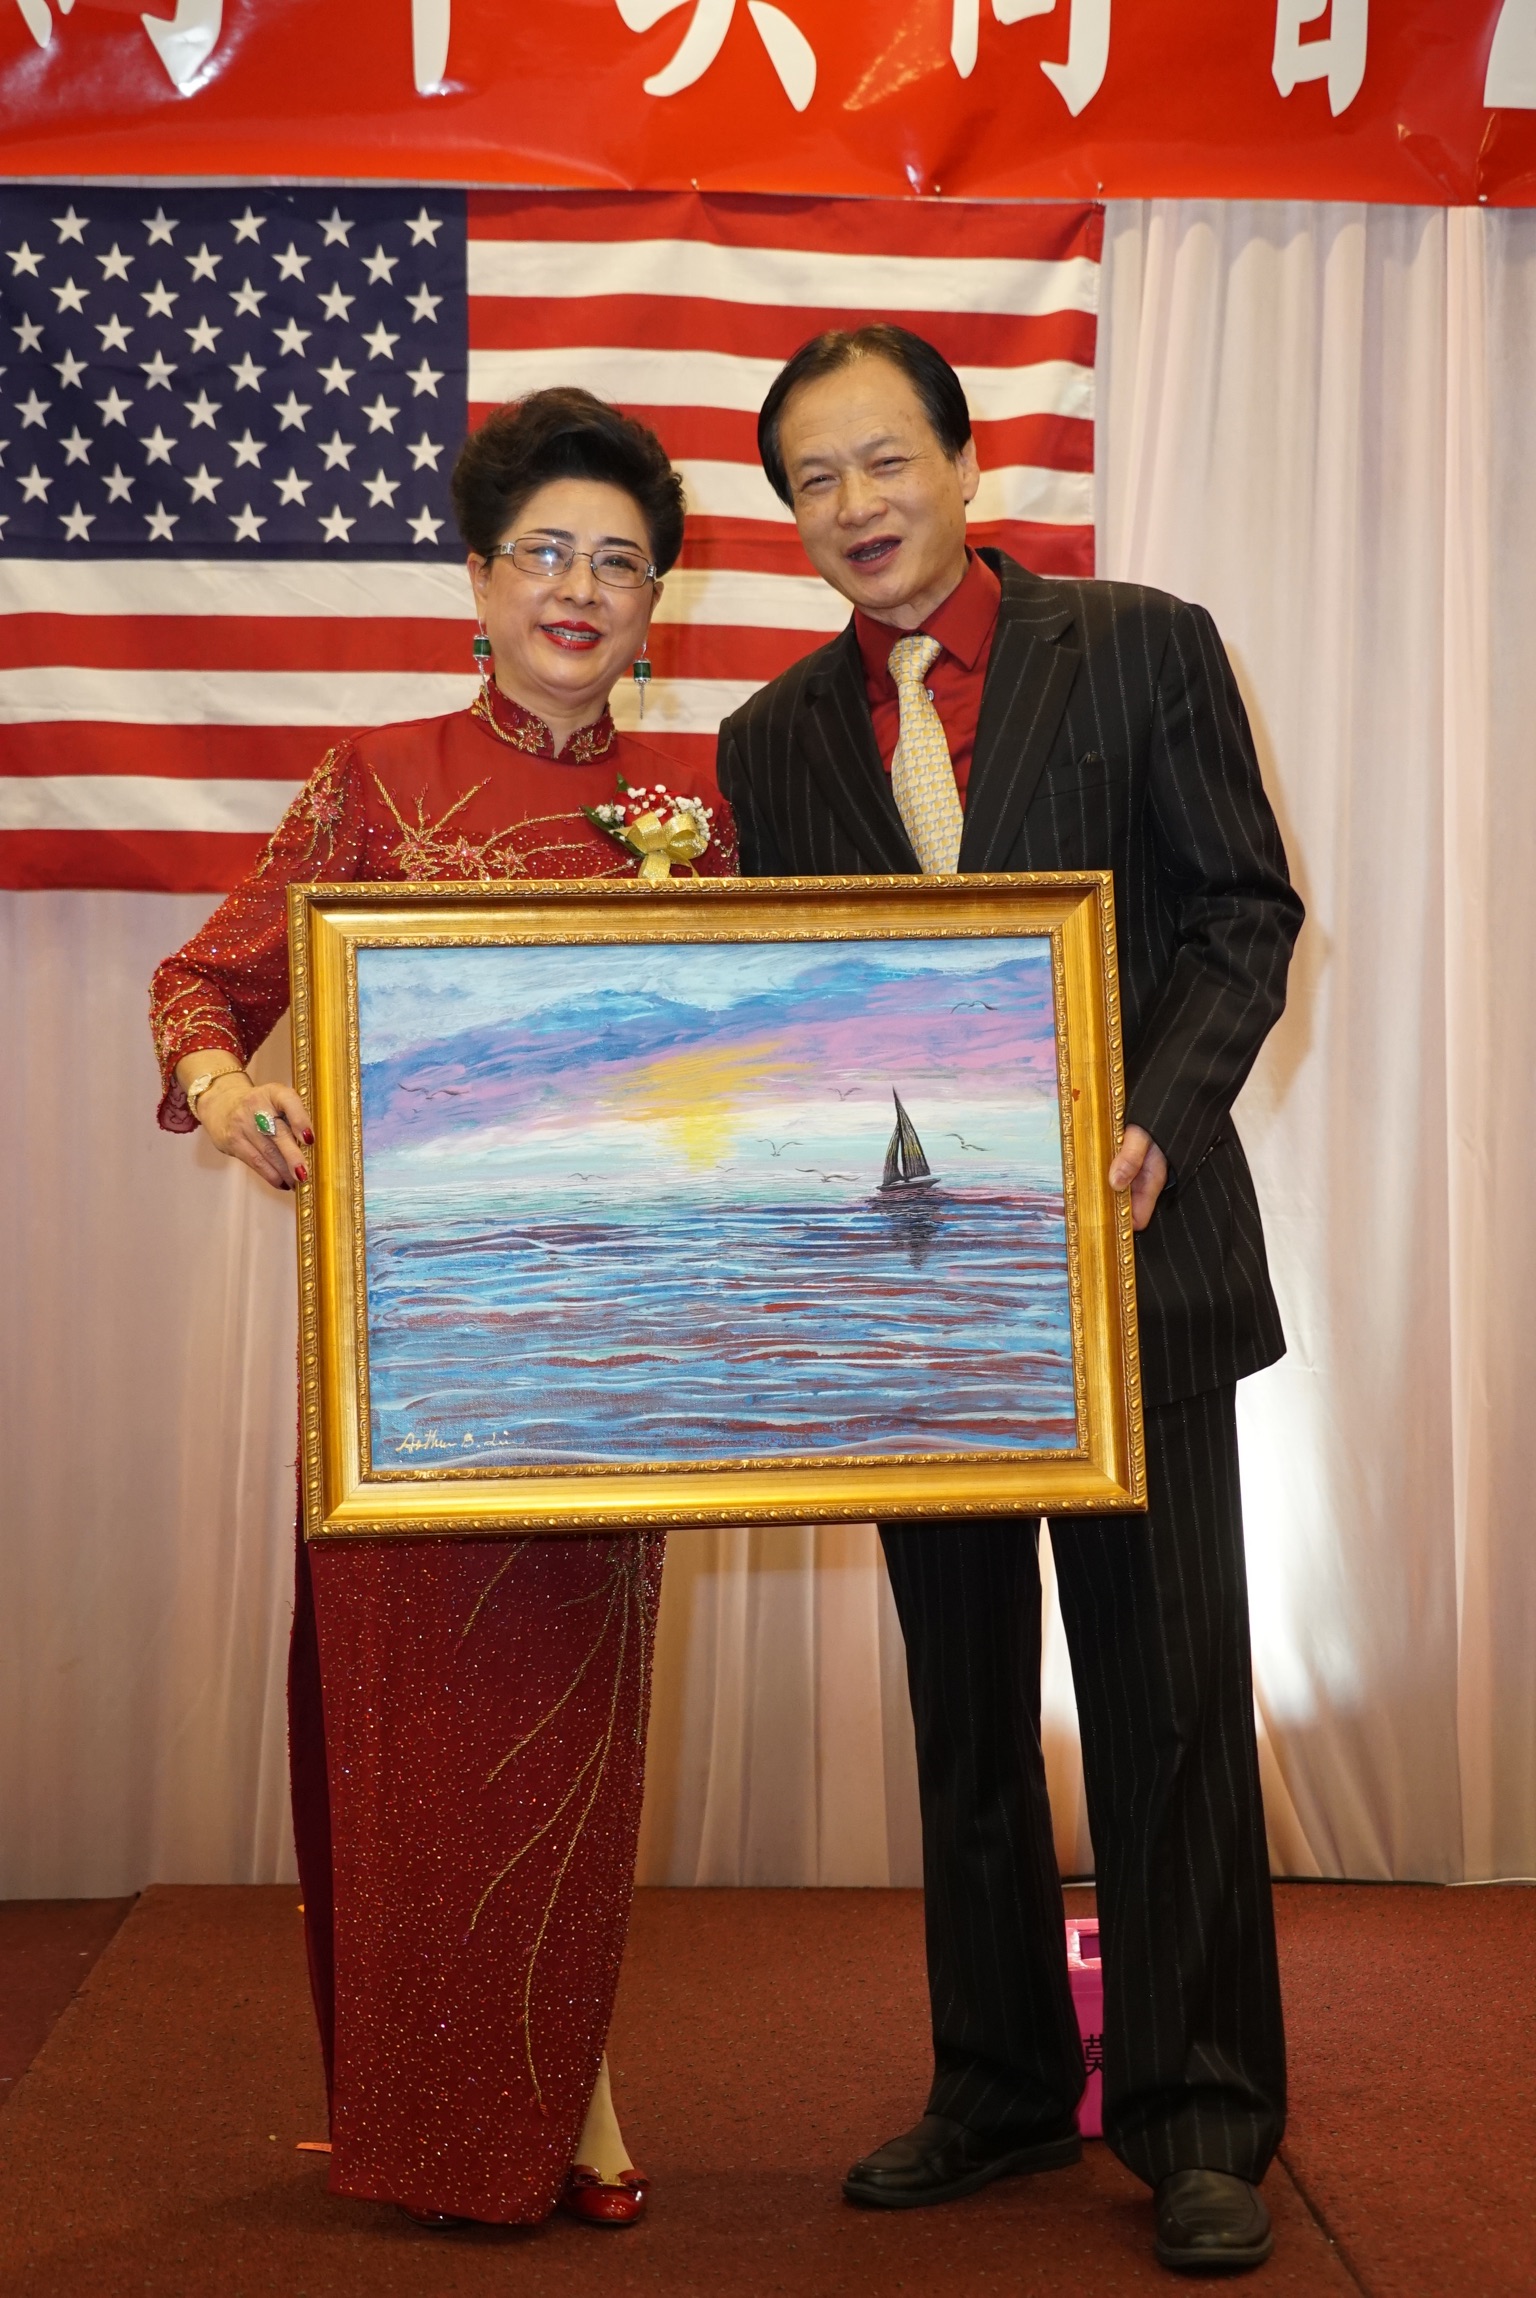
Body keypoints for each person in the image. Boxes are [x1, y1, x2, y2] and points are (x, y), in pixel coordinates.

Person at [716, 326, 1303, 2277]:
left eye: (887, 458)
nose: (858, 504)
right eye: (815, 479)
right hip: (921, 1305)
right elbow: (799, 1032)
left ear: (967, 465)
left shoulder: (1140, 645)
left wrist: (1154, 1121)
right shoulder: (768, 742)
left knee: (1168, 1702)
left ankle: (1198, 2113)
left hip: (1140, 1265)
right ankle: (995, 2085)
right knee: (962, 1711)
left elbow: (1244, 912)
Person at [150, 388, 737, 2230]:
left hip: (610, 1353)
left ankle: (579, 2082)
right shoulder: (376, 777)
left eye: (619, 562)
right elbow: (204, 981)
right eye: (545, 552)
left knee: (570, 1736)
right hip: (404, 1355)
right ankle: (436, 2122)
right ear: (479, 579)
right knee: (417, 1750)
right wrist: (231, 1096)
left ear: (655, 605)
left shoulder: (705, 809)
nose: (580, 589)